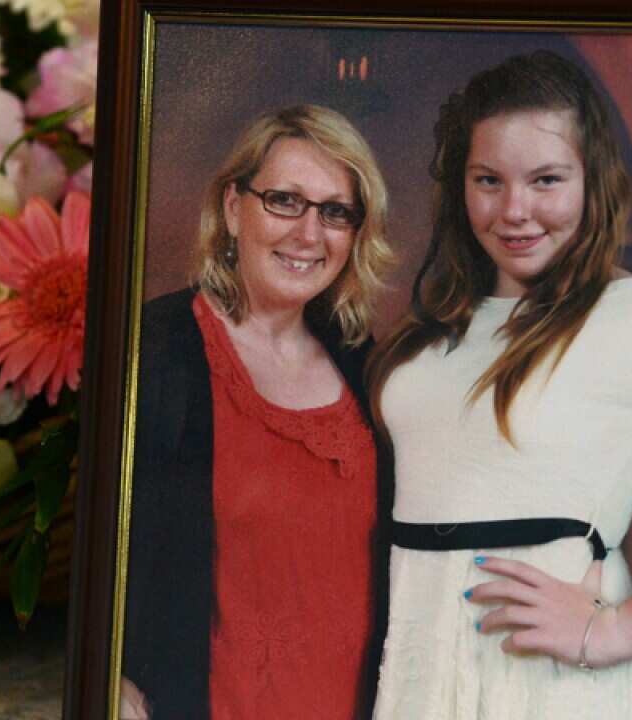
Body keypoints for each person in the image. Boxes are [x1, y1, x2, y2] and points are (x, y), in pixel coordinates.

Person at [367, 50, 632, 719]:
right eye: (489, 179)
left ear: (592, 180)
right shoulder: (428, 332)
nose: (515, 210)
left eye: (546, 180)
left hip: (567, 691)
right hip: (422, 679)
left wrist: (614, 631)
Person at [122, 104, 396, 719]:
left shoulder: (362, 361)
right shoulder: (157, 347)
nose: (308, 234)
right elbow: (100, 531)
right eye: (284, 201)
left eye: (335, 212)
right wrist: (110, 667)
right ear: (231, 207)